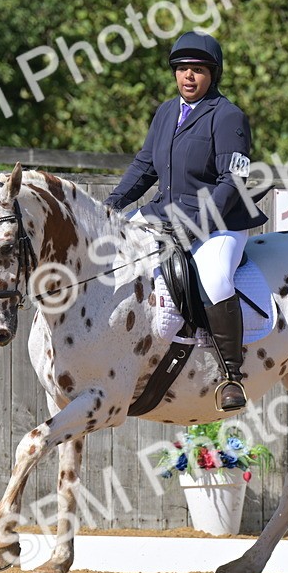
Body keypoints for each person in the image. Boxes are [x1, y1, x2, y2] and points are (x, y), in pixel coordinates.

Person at [104, 32, 267, 411]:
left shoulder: (228, 116)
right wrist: (112, 206)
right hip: (165, 213)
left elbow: (233, 180)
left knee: (214, 279)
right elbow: (146, 166)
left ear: (213, 74)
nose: (188, 77)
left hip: (220, 220)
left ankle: (231, 375)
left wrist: (195, 221)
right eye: (181, 70)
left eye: (197, 70)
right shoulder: (165, 113)